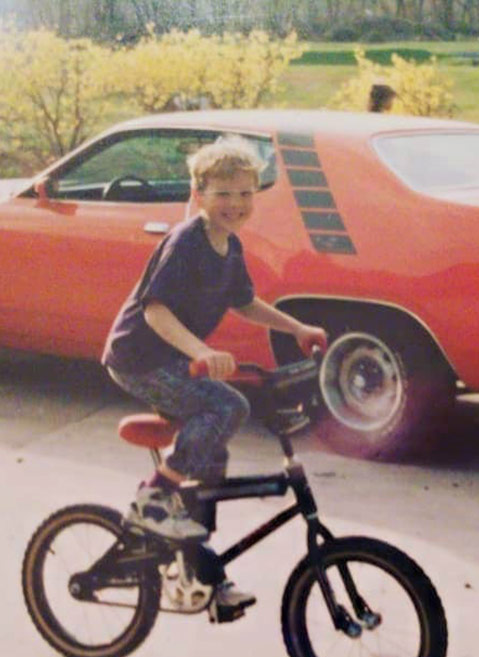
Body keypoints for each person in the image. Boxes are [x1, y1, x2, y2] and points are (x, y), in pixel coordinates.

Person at [102, 136, 327, 609]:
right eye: (223, 193)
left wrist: (297, 327)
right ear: (198, 194)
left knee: (212, 463)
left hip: (174, 359)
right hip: (139, 358)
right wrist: (202, 350)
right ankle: (153, 501)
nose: (235, 204)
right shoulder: (186, 241)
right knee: (227, 405)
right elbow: (155, 312)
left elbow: (244, 301)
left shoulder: (230, 247)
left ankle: (199, 574)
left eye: (245, 193)